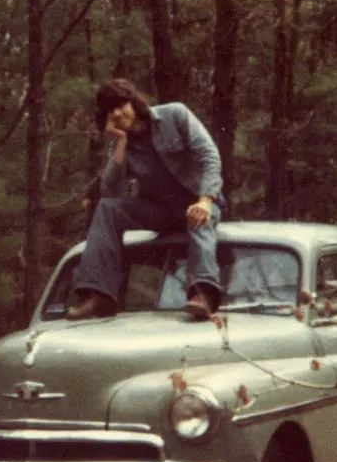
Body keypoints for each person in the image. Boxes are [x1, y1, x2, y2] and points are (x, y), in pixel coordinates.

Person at [67, 78, 224, 321]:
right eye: (110, 111)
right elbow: (110, 191)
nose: (117, 114)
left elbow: (209, 155)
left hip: (198, 201)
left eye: (121, 105)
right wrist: (120, 143)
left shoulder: (175, 115)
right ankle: (99, 295)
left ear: (134, 102)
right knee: (108, 209)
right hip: (160, 211)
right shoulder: (122, 144)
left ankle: (203, 293)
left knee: (198, 218)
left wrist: (205, 199)